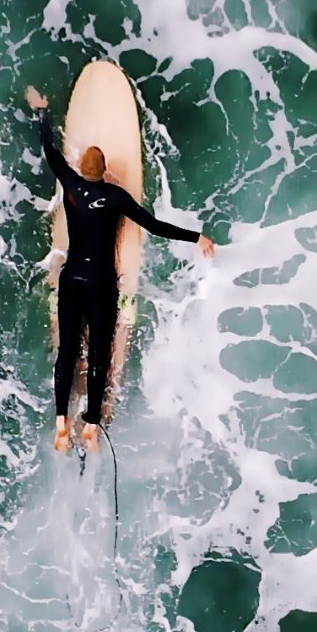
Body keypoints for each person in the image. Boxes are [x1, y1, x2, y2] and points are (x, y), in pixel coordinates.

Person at [27, 87, 215, 453]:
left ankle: (61, 424)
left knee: (68, 352)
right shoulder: (116, 198)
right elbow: (156, 226)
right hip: (101, 284)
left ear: (82, 168)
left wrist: (43, 113)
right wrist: (197, 238)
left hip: (72, 279)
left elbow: (50, 152)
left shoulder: (70, 185)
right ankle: (91, 427)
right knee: (99, 355)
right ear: (106, 172)